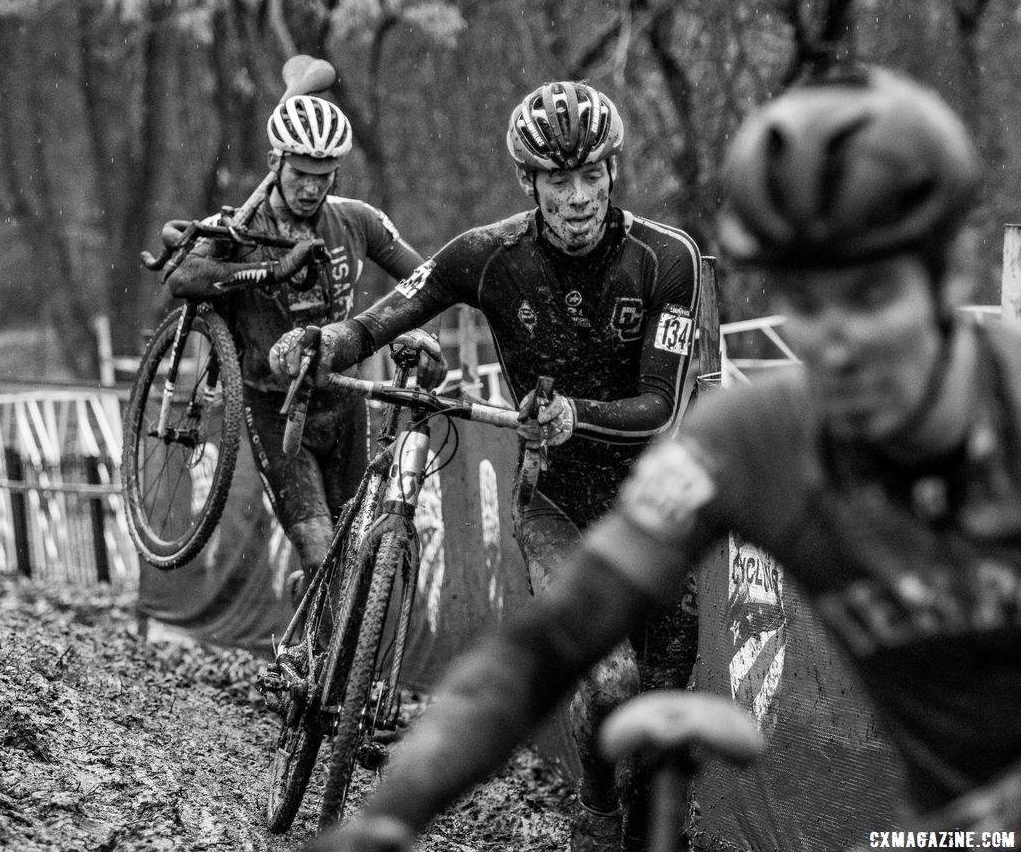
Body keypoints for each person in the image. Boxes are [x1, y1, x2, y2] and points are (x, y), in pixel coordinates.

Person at [301, 66, 1021, 851]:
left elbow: (657, 400)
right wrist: (392, 810)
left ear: (949, 266)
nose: (840, 330)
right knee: (628, 712)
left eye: (876, 283)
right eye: (806, 290)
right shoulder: (754, 439)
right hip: (571, 500)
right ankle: (604, 812)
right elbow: (545, 649)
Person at [271, 81, 704, 851]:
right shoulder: (489, 254)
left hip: (658, 506)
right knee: (612, 685)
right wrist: (325, 344)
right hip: (556, 504)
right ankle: (596, 811)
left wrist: (574, 411)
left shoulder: (664, 257)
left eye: (592, 175)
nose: (578, 198)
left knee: (662, 736)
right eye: (558, 181)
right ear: (529, 185)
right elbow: (392, 310)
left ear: (613, 171)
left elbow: (660, 406)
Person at [166, 94, 443, 600]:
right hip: (272, 406)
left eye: (325, 174)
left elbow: (429, 281)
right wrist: (270, 269)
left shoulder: (356, 220)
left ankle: (320, 653)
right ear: (275, 163)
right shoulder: (241, 225)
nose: (312, 187)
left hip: (343, 401)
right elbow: (181, 277)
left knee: (352, 556)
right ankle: (311, 607)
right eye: (300, 173)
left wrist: (422, 334)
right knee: (318, 546)